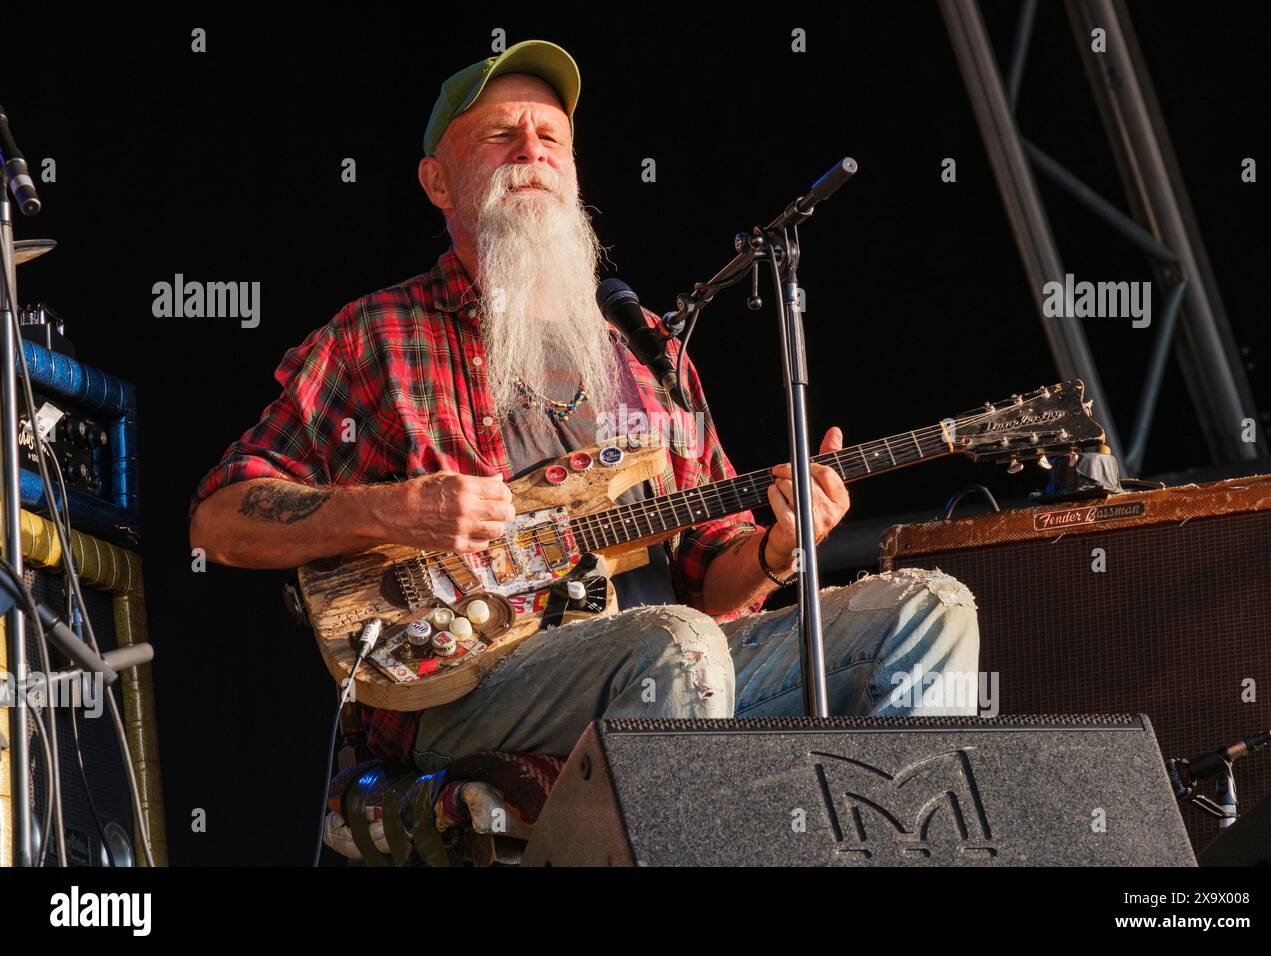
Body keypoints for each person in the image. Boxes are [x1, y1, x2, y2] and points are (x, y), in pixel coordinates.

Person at [188, 40, 980, 776]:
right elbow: (220, 521)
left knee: (928, 609)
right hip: (467, 689)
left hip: (670, 658)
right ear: (437, 181)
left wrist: (779, 545)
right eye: (500, 135)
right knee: (681, 642)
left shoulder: (649, 353)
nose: (531, 151)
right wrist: (397, 508)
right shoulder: (378, 336)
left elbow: (712, 577)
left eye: (551, 137)